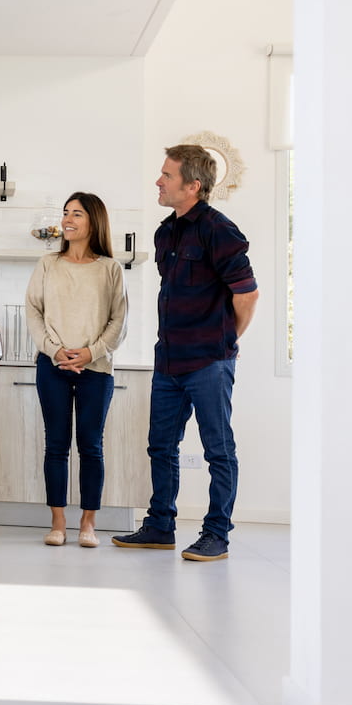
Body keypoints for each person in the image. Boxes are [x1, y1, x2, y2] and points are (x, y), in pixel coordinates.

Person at [113, 144, 258, 561]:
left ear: (193, 185)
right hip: (170, 360)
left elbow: (247, 296)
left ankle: (217, 535)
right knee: (160, 446)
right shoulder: (166, 231)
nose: (158, 181)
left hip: (209, 360)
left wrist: (226, 344)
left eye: (167, 175)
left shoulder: (219, 230)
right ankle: (160, 525)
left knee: (218, 450)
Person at [25, 192, 128, 548]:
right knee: (55, 445)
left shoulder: (110, 268)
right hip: (52, 366)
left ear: (93, 221)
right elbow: (33, 312)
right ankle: (57, 523)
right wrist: (55, 351)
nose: (68, 219)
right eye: (66, 213)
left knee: (90, 445)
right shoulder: (48, 264)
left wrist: (90, 352)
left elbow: (119, 320)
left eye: (77, 214)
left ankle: (88, 524)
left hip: (96, 369)